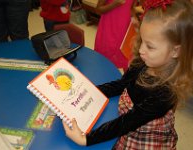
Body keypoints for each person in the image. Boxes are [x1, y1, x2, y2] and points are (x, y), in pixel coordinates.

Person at [62, 0, 193, 149]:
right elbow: (122, 84)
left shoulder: (165, 93)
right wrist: (88, 91)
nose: (141, 50)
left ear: (176, 51)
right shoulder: (144, 60)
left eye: (150, 46)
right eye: (142, 40)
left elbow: (126, 123)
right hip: (128, 120)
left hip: (142, 136)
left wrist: (86, 139)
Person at [94, 0, 134, 70]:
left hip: (125, 30)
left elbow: (132, 8)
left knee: (126, 61)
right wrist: (115, 4)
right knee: (104, 63)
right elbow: (98, 9)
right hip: (108, 29)